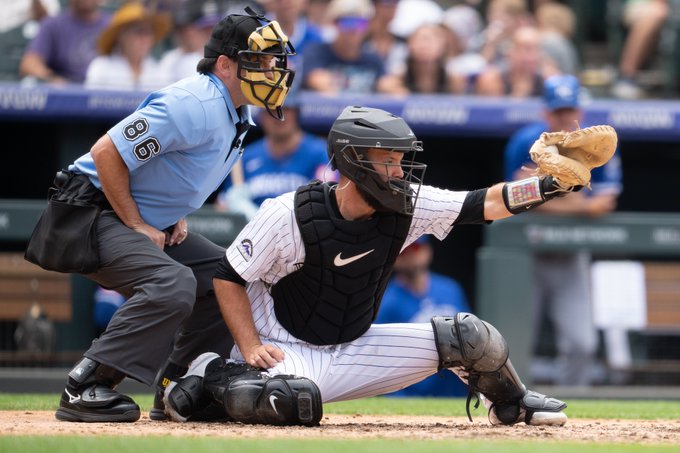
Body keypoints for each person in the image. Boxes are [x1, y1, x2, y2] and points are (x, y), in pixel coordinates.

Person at [161, 105, 571, 427]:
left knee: (472, 338)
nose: (399, 171)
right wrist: (249, 346)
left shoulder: (407, 205)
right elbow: (228, 276)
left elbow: (482, 203)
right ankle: (212, 375)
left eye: (400, 160)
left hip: (356, 347)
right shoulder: (287, 213)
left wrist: (550, 185)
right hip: (286, 351)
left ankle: (511, 405)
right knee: (291, 403)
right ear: (354, 162)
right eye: (389, 160)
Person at [27, 6, 296, 423]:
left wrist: (170, 214)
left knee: (228, 277)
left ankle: (179, 387)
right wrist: (137, 221)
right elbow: (106, 153)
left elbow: (168, 170)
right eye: (258, 61)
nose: (272, 70)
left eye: (273, 62)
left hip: (120, 214)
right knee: (171, 282)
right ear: (225, 65)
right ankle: (84, 386)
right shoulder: (194, 101)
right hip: (86, 213)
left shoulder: (236, 110)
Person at [504, 74, 623, 386]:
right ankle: (509, 404)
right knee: (513, 342)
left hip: (570, 255)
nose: (565, 118)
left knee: (582, 344)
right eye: (558, 111)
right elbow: (517, 199)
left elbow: (604, 204)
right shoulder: (525, 142)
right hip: (527, 254)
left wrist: (550, 194)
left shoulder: (598, 146)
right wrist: (580, 201)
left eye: (570, 110)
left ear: (581, 111)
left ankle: (576, 414)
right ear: (546, 112)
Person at [375, 236, 471, 397]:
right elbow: (381, 359)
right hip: (414, 392)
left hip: (455, 391)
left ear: (428, 252)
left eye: (415, 249)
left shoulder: (450, 289)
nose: (410, 255)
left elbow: (471, 335)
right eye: (404, 251)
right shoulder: (387, 301)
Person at [215, 95, 331, 217]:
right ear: (261, 117)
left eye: (285, 109)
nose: (279, 116)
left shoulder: (320, 153)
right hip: (255, 232)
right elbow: (222, 206)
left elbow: (325, 202)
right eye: (271, 110)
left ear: (296, 113)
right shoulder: (244, 156)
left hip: (302, 230)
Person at [302, 0, 391, 93]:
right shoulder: (317, 53)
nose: (353, 29)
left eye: (360, 23)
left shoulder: (373, 59)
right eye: (347, 22)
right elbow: (317, 81)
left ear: (368, 27)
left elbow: (388, 86)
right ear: (334, 24)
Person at [84, 2, 171, 91]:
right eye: (139, 31)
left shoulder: (159, 71)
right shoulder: (101, 67)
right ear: (122, 36)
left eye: (148, 33)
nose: (144, 38)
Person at [19, 0, 111, 84]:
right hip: (69, 95)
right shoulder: (53, 25)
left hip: (105, 93)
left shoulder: (112, 25)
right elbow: (30, 64)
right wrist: (51, 79)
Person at [159, 0, 221, 84]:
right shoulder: (170, 59)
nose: (187, 34)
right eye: (181, 30)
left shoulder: (217, 58)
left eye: (189, 29)